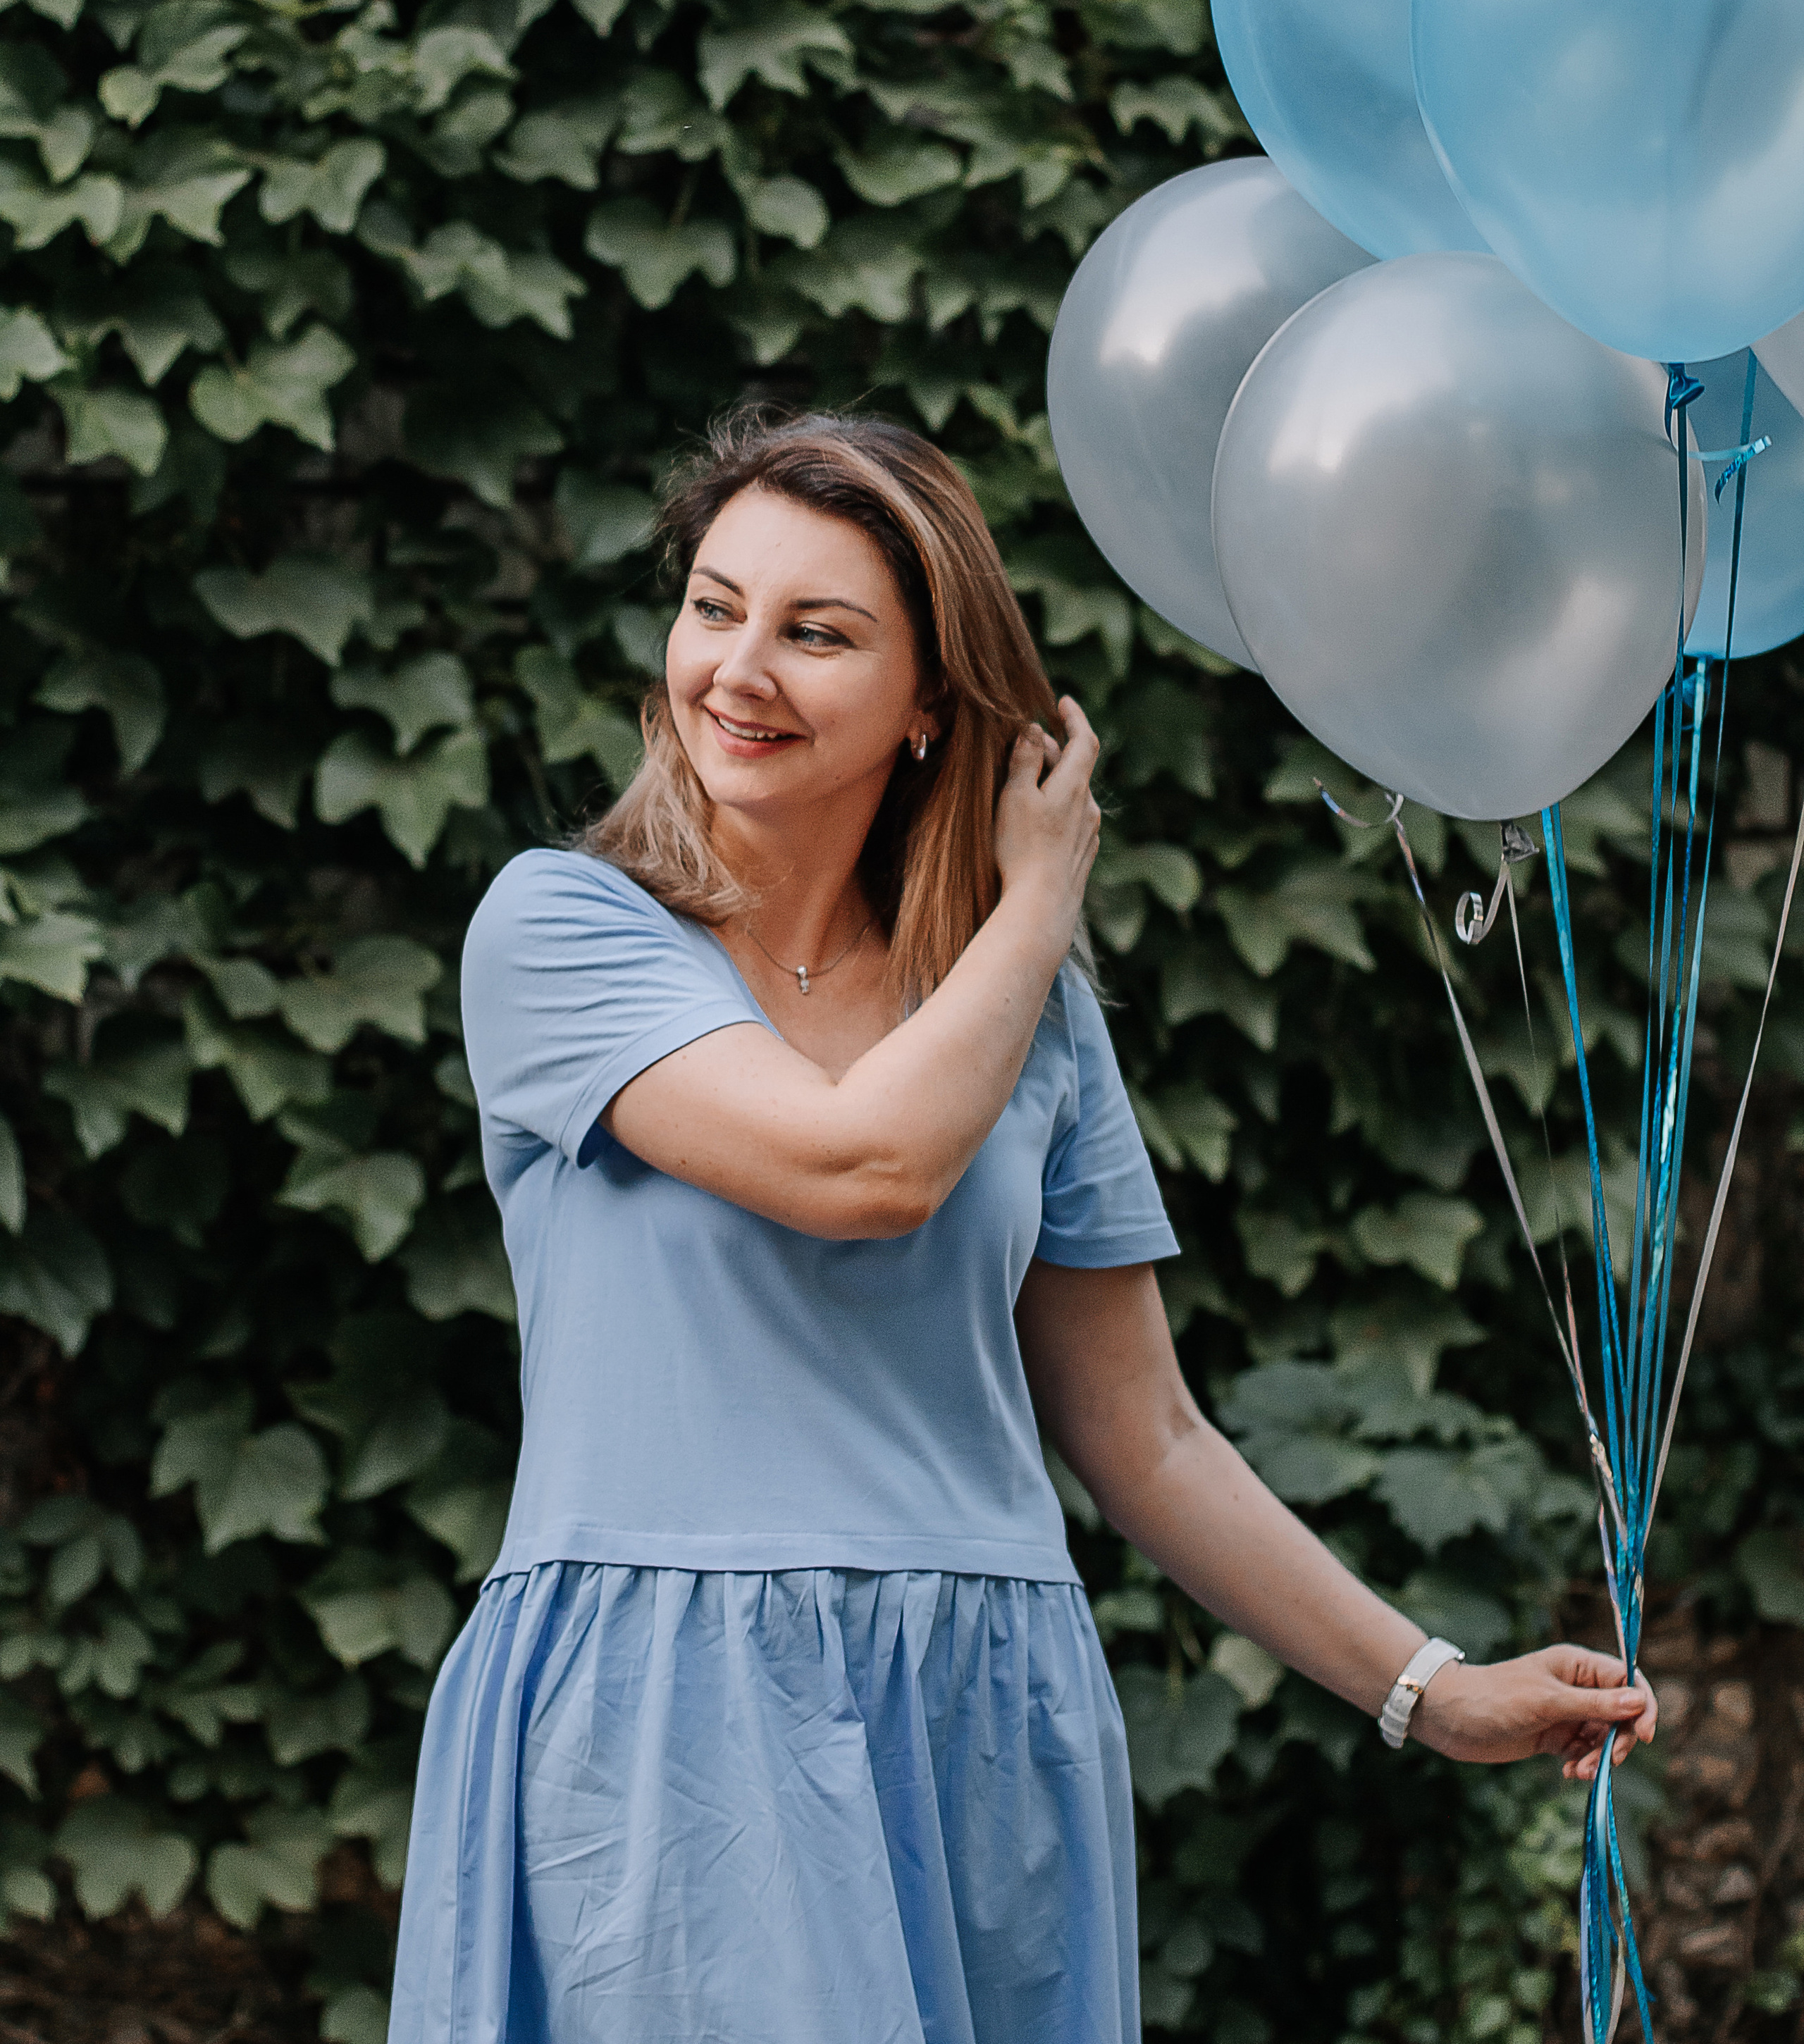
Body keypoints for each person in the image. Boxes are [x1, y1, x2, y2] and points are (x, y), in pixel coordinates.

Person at [388, 407, 1655, 2044]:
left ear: (928, 705)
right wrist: (1041, 892)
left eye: (815, 632)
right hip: (676, 1711)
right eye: (714, 606)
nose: (738, 670)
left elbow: (1149, 1438)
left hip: (980, 1714)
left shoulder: (1023, 1019)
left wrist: (1428, 1687)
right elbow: (865, 1170)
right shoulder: (565, 928)